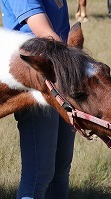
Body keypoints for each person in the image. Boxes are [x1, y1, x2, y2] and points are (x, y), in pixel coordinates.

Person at [0, 1, 75, 198]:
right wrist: (76, 70)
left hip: (62, 82)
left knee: (60, 170)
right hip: (36, 85)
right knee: (38, 176)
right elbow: (44, 33)